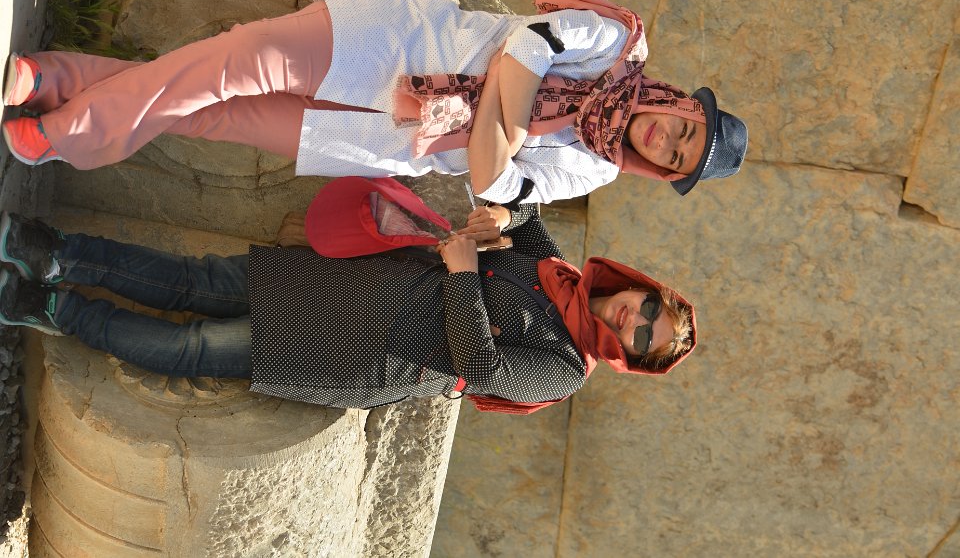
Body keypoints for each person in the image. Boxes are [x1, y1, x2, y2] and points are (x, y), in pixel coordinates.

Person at [1, 0, 747, 205]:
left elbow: (493, 185)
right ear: (683, 103)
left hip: (379, 139)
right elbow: (529, 45)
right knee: (229, 64)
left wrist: (504, 112)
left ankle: (58, 80)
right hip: (386, 44)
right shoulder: (619, 43)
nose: (666, 139)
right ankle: (67, 132)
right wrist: (504, 130)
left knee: (210, 114)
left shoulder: (593, 171)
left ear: (661, 172)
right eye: (685, 128)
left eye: (675, 158)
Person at [0, 202, 697, 413]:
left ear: (632, 359)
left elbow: (480, 366)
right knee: (197, 280)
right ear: (640, 287)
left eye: (644, 337)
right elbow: (527, 209)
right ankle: (57, 254)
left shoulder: (566, 370)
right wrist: (504, 217)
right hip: (357, 284)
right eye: (648, 309)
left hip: (368, 355)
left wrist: (464, 274)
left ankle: (54, 310)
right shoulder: (561, 271)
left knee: (195, 346)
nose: (632, 320)